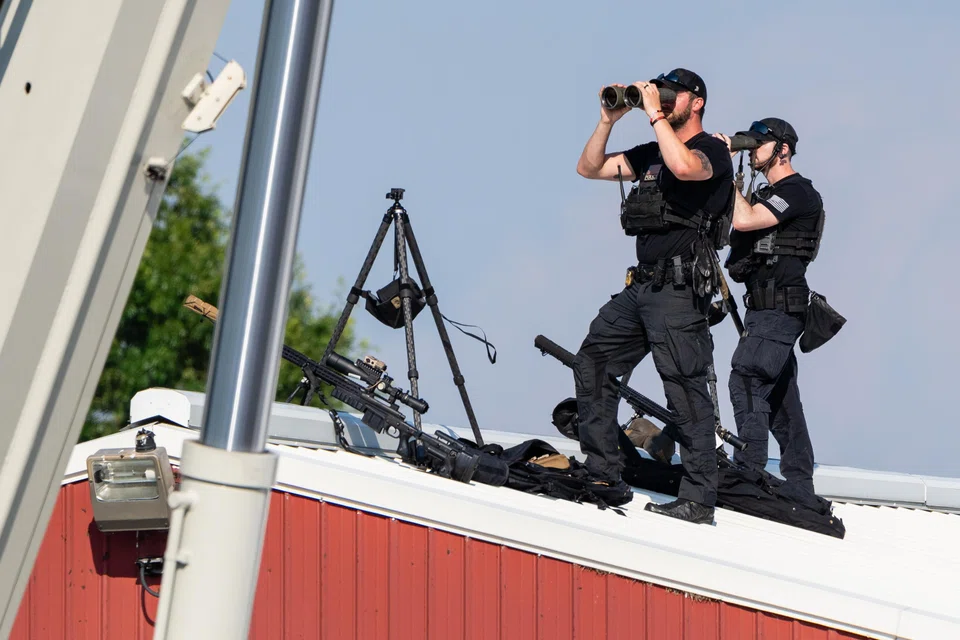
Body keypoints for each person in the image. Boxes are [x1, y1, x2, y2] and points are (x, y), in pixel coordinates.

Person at [574, 69, 733, 524]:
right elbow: (589, 168)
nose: (662, 100)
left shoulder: (711, 152)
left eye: (672, 94)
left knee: (685, 388)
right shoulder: (651, 154)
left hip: (680, 293)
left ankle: (699, 498)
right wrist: (608, 119)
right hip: (641, 286)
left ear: (696, 102)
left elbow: (684, 167)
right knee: (593, 362)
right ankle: (603, 471)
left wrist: (652, 116)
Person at [714, 118, 825, 508]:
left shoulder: (797, 192)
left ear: (783, 149)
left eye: (760, 143)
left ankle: (748, 469)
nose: (752, 149)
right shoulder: (764, 194)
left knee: (746, 379)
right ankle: (799, 482)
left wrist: (724, 166)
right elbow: (729, 232)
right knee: (779, 397)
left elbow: (744, 220)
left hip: (779, 307)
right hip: (765, 309)